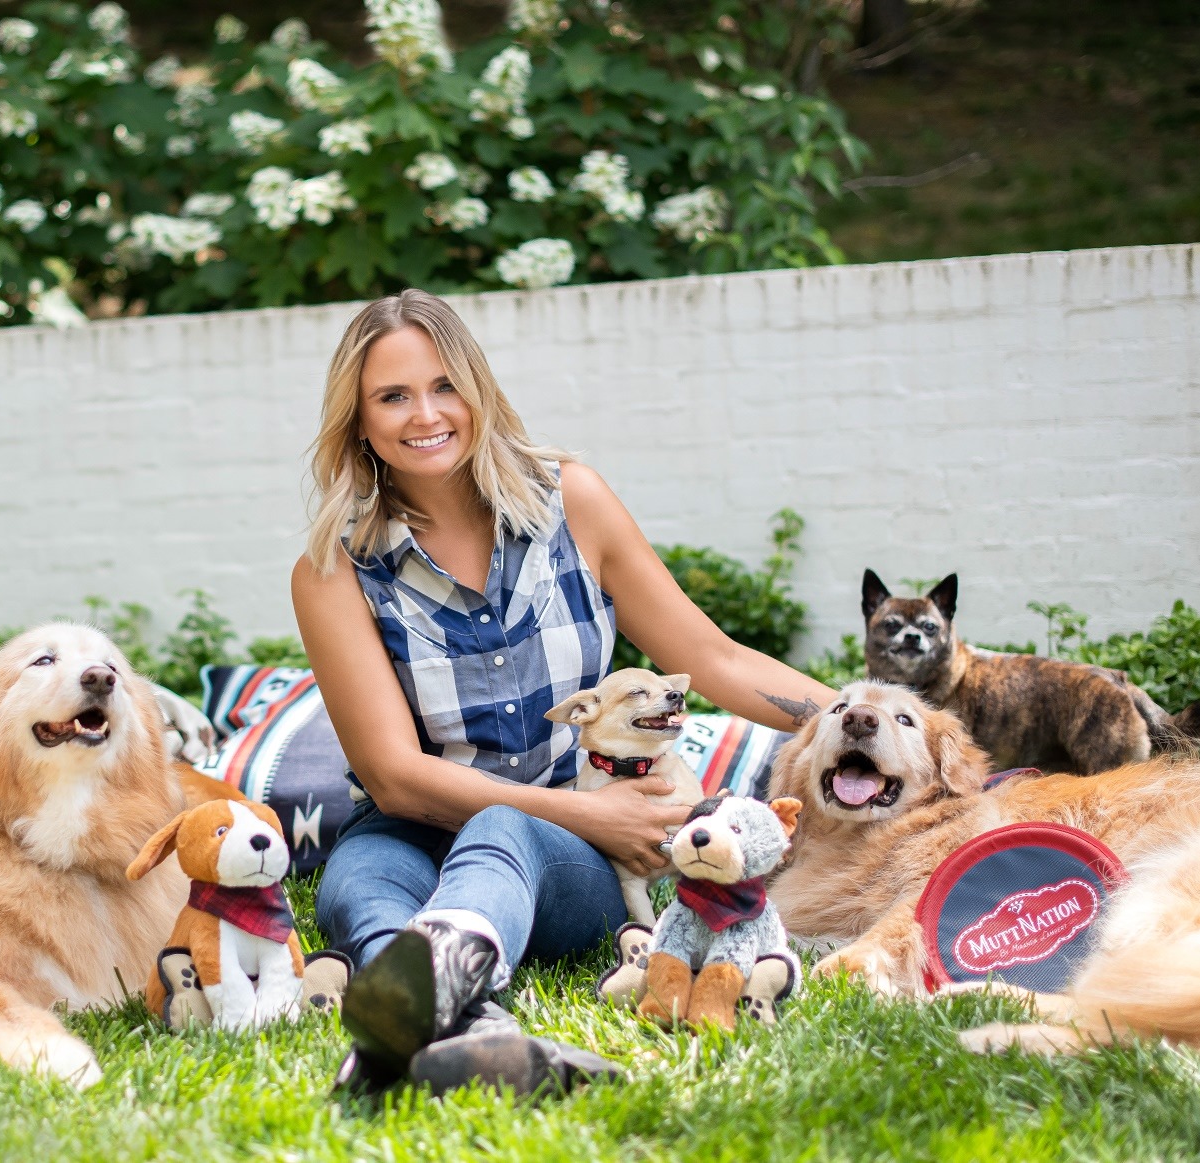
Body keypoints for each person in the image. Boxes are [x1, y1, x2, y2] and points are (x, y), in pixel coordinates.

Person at [292, 289, 835, 1092]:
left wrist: (861, 721)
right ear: (360, 421)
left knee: (502, 828)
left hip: (565, 851)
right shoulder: (333, 570)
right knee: (356, 882)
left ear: (477, 391)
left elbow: (713, 659)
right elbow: (394, 777)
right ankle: (468, 1034)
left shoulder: (570, 503)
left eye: (444, 386)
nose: (425, 414)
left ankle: (428, 1004)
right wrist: (594, 813)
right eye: (393, 396)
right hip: (419, 827)